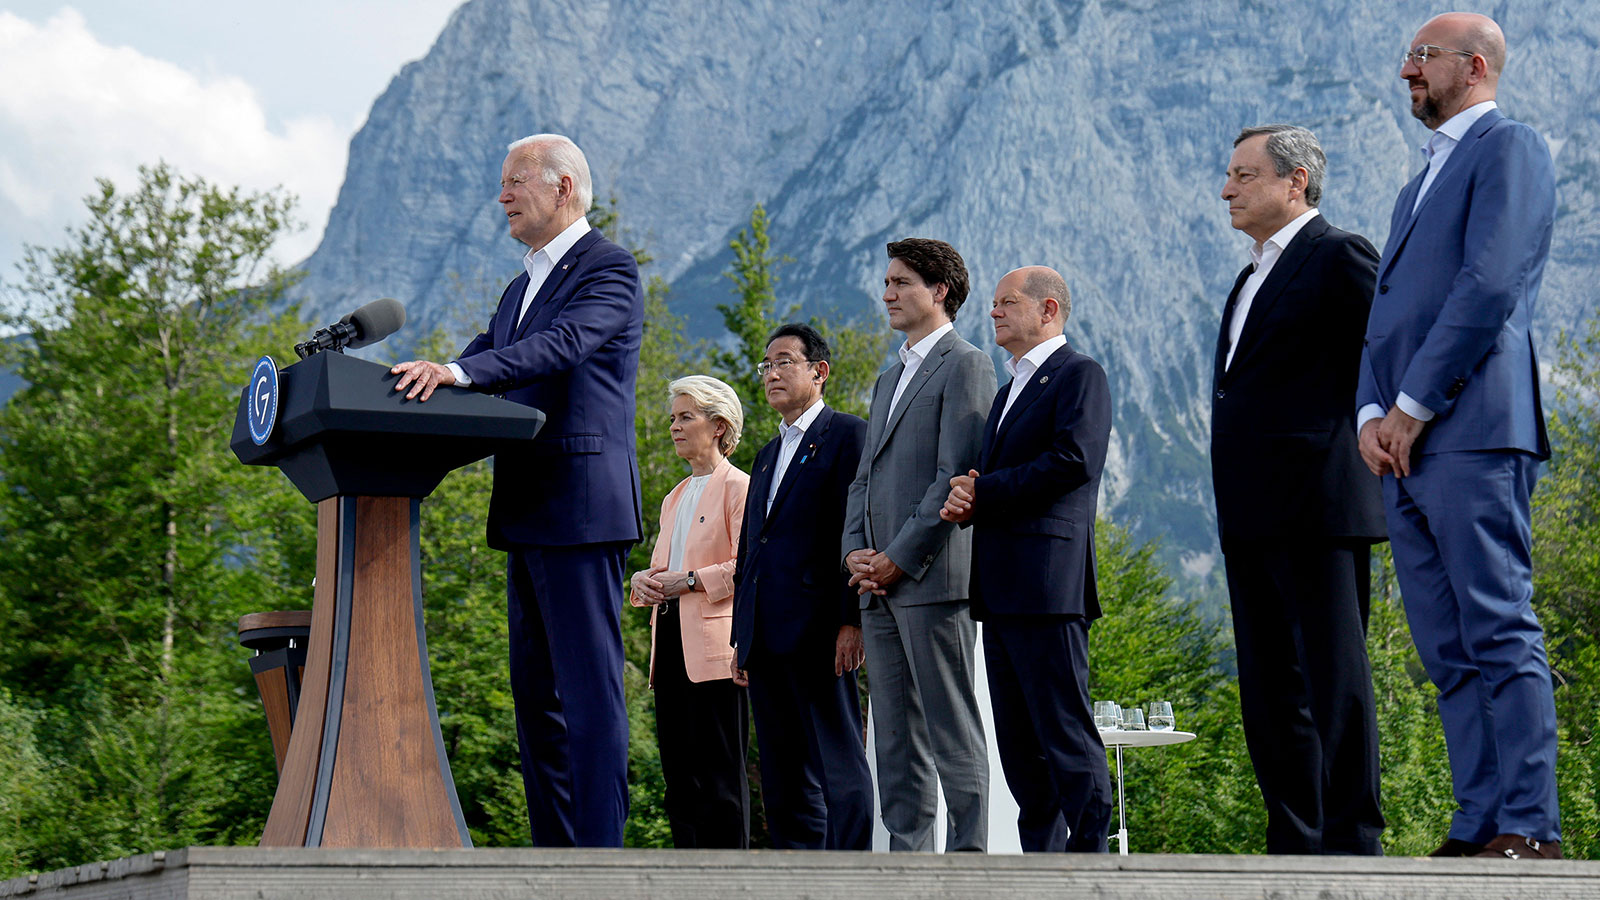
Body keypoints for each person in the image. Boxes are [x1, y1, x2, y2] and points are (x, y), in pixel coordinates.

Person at [390, 133, 643, 847]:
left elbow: (560, 346)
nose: (500, 196)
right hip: (528, 510)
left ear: (563, 187)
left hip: (582, 507)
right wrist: (417, 382)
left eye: (514, 181)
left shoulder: (608, 269)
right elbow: (483, 358)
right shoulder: (519, 285)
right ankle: (553, 862)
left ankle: (598, 864)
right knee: (536, 702)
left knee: (589, 698)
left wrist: (462, 373)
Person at [1357, 13, 1560, 860]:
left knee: (1498, 627)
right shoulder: (1416, 187)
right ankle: (1478, 819)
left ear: (1473, 67)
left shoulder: (1510, 148)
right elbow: (1384, 315)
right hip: (1402, 445)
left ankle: (1530, 826)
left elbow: (1489, 286)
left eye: (1421, 57)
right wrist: (1371, 415)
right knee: (1445, 646)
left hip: (1471, 431)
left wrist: (1410, 404)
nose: (1407, 71)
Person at [1213, 124, 1386, 855]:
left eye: (1245, 175)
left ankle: (1354, 844)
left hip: (1319, 505)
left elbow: (1391, 346)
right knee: (1269, 687)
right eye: (1229, 176)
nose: (1227, 189)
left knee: (1333, 679)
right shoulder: (1249, 276)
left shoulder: (1337, 254)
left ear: (1296, 183)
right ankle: (1293, 836)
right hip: (1249, 511)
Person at [941, 267, 1112, 853]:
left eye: (1006, 302)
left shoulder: (1078, 375)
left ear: (1049, 310)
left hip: (1048, 584)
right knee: (1018, 743)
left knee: (1064, 731)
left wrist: (983, 491)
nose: (993, 312)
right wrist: (972, 495)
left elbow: (1073, 460)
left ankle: (1091, 859)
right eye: (991, 304)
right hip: (1000, 587)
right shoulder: (1008, 389)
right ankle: (1039, 863)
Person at [842, 238, 995, 852]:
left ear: (940, 291)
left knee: (952, 735)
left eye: (901, 282)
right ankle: (908, 872)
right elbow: (864, 477)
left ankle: (970, 867)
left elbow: (954, 474)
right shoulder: (888, 378)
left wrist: (897, 558)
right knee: (896, 743)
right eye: (886, 283)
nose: (887, 294)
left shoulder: (967, 364)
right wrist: (855, 552)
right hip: (875, 588)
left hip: (931, 581)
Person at [731, 323, 874, 850]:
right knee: (781, 773)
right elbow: (752, 548)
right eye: (766, 365)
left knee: (838, 763)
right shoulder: (767, 453)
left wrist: (851, 620)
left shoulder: (849, 435)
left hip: (821, 631)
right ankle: (797, 876)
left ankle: (852, 873)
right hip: (765, 636)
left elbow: (858, 532)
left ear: (820, 371)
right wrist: (740, 635)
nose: (771, 373)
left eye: (784, 361)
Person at [629, 376, 751, 848]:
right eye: (673, 418)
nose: (674, 427)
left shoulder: (740, 487)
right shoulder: (674, 497)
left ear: (719, 426)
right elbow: (663, 569)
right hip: (672, 648)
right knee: (679, 783)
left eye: (686, 417)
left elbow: (749, 565)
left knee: (722, 781)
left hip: (717, 655)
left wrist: (692, 581)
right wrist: (643, 581)